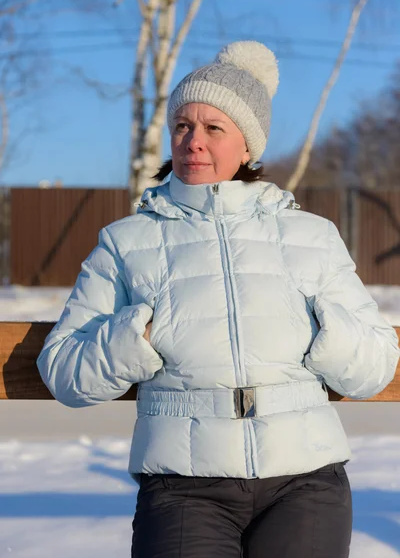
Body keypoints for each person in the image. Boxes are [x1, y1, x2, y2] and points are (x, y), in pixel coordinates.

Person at [37, 41, 400, 558]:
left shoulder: (311, 235)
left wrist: (327, 333)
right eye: (183, 126)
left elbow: (377, 365)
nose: (194, 142)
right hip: (184, 485)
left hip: (306, 481)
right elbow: (63, 372)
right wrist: (131, 338)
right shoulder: (125, 241)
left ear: (247, 145)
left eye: (214, 128)